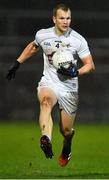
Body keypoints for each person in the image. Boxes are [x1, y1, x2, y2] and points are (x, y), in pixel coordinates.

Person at [6, 3, 95, 167]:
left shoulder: (78, 40)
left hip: (69, 88)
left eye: (68, 18)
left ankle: (67, 147)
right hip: (49, 81)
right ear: (54, 19)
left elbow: (90, 65)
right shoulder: (43, 35)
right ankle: (46, 139)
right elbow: (33, 47)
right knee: (45, 102)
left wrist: (76, 72)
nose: (65, 21)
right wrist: (17, 63)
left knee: (66, 131)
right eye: (62, 18)